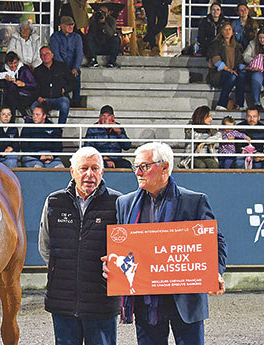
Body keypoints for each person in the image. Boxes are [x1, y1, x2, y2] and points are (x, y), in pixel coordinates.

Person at [104, 141, 227, 345]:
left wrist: (215, 272)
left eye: (144, 166)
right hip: (146, 302)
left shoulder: (194, 201)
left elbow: (216, 241)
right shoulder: (124, 203)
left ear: (165, 167)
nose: (137, 172)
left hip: (186, 301)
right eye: (136, 167)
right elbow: (123, 248)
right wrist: (111, 264)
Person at [39, 146, 121, 345]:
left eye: (95, 168)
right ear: (72, 171)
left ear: (102, 172)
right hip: (63, 301)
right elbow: (45, 246)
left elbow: (125, 253)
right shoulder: (54, 201)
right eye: (84, 168)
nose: (89, 174)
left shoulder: (118, 202)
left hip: (101, 302)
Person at [208, 22, 246, 111]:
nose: (227, 32)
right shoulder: (216, 44)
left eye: (229, 29)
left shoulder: (236, 46)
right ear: (221, 32)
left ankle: (240, 104)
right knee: (232, 76)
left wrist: (245, 67)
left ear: (233, 32)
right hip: (219, 73)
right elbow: (216, 61)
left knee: (241, 76)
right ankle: (221, 104)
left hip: (232, 72)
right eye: (225, 29)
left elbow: (239, 62)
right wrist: (228, 69)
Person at [32, 46, 75, 124]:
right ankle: (45, 127)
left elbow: (73, 82)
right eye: (42, 54)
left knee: (65, 104)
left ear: (52, 55)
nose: (45, 56)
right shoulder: (37, 71)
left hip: (59, 98)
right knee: (34, 107)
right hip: (44, 99)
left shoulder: (62, 67)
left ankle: (60, 128)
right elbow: (34, 87)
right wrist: (38, 97)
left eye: (47, 54)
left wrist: (64, 90)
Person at [50, 16, 83, 105]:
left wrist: (75, 67)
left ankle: (76, 100)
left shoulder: (77, 37)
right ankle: (65, 97)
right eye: (68, 25)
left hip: (72, 65)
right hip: (60, 66)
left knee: (77, 74)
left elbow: (79, 54)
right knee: (59, 74)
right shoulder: (55, 37)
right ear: (62, 26)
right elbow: (56, 54)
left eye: (72, 25)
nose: (71, 27)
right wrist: (65, 69)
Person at [20, 104, 65, 168]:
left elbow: (58, 146)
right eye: (33, 114)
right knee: (37, 167)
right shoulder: (27, 126)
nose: (34, 117)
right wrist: (39, 156)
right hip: (31, 156)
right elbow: (24, 146)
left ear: (44, 116)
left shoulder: (52, 127)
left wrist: (52, 155)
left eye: (37, 115)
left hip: (50, 156)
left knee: (60, 167)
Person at [0, 51, 37, 119]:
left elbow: (34, 85)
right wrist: (7, 81)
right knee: (11, 98)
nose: (13, 66)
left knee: (12, 99)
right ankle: (24, 115)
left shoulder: (24, 69)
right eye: (10, 64)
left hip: (25, 96)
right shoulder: (4, 71)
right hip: (11, 96)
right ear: (7, 64)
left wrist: (24, 84)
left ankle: (13, 123)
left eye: (15, 63)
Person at [243, 28, 264, 112]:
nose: (262, 40)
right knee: (256, 76)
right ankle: (257, 103)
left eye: (263, 38)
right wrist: (256, 60)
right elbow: (245, 56)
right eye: (260, 38)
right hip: (255, 69)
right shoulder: (253, 44)